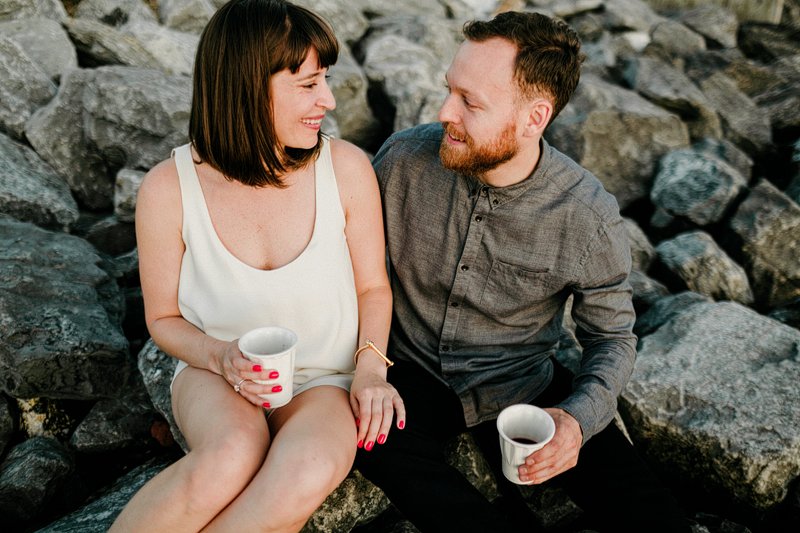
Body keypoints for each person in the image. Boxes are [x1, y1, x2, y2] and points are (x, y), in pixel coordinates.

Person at [355, 10, 690, 533]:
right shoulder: (401, 161)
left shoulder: (587, 214)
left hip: (519, 384)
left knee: (654, 515)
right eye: (450, 89)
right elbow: (348, 269)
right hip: (408, 373)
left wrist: (577, 421)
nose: (444, 111)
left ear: (535, 117)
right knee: (368, 438)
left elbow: (613, 338)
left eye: (470, 102)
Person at [110, 1, 404, 531]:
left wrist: (370, 370)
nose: (329, 101)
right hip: (215, 372)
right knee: (229, 457)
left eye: (326, 80)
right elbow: (162, 320)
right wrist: (219, 357)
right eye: (309, 85)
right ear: (248, 85)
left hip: (327, 381)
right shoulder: (167, 188)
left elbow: (373, 289)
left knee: (304, 470)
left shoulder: (347, 168)